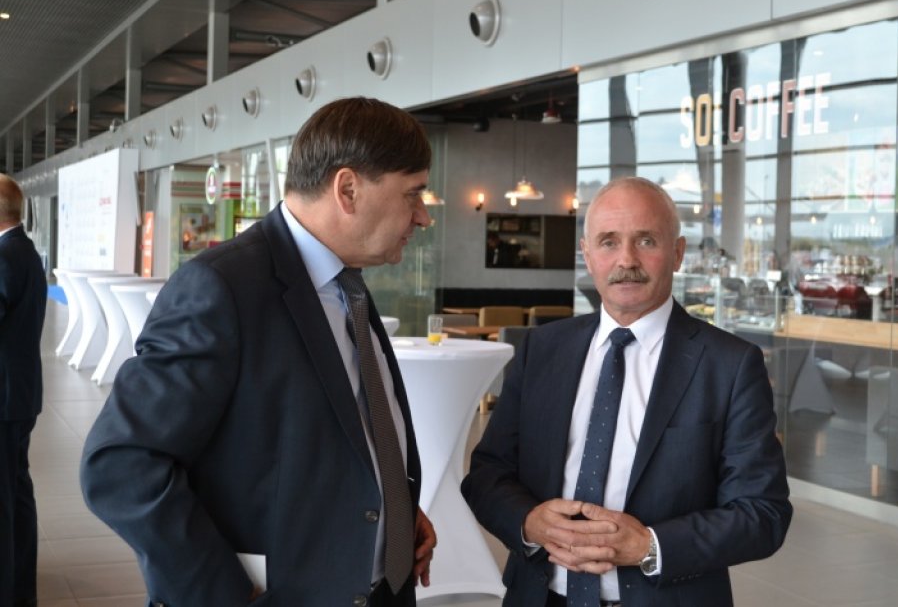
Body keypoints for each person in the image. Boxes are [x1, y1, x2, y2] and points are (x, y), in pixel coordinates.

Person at [80, 98, 438, 607]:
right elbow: (119, 464)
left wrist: (392, 510)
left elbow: (330, 434)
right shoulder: (222, 287)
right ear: (348, 190)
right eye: (413, 193)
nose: (423, 216)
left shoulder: (346, 283)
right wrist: (228, 594)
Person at [462, 177, 791, 606]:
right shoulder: (542, 349)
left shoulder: (729, 364)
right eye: (609, 242)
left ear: (677, 253)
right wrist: (529, 522)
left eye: (646, 241)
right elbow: (487, 474)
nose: (627, 260)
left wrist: (649, 546)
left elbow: (763, 513)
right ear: (587, 254)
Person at [0, 174, 47, 607]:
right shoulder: (25, 251)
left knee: (6, 500)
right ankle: (19, 590)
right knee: (16, 492)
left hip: (5, 396)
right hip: (20, 392)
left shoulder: (5, 256)